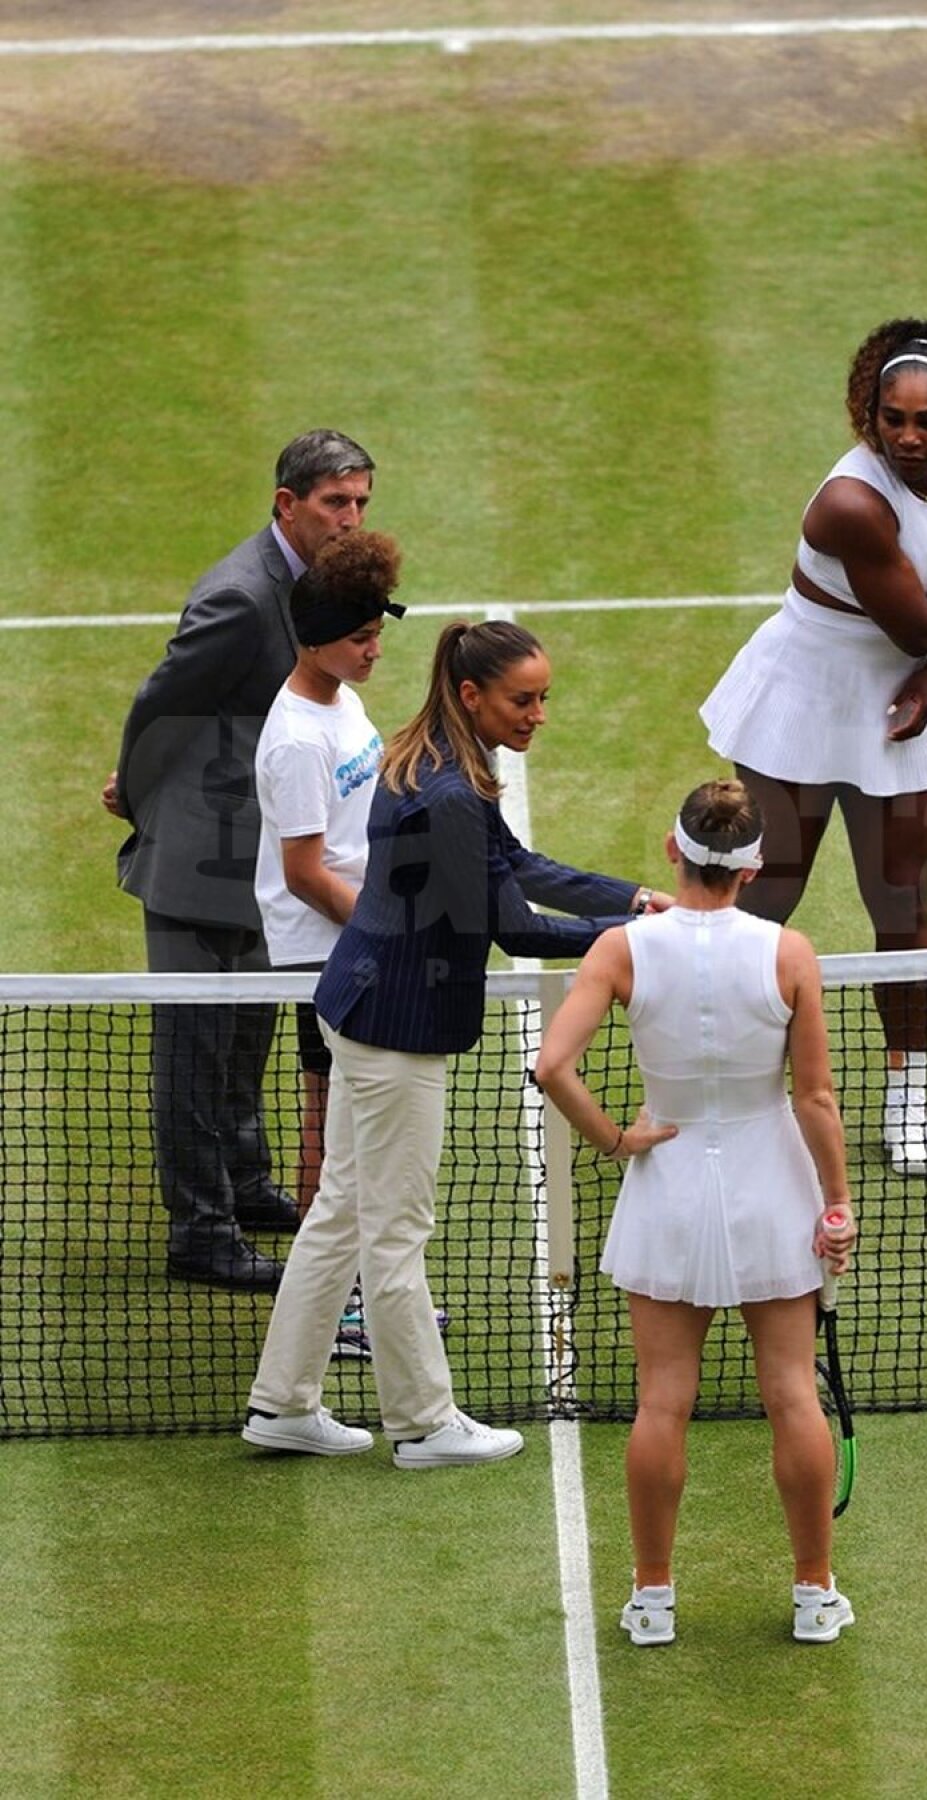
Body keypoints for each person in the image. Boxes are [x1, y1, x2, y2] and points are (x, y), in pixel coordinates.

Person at [242, 620, 673, 1468]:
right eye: (524, 698)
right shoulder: (446, 792)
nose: (539, 714)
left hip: (363, 1003)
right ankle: (424, 1424)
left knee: (340, 1214)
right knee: (395, 1230)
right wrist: (625, 941)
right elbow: (511, 922)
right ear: (473, 694)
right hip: (393, 1030)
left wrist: (633, 899)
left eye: (544, 696)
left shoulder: (439, 759)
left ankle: (283, 1404)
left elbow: (519, 862)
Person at [700, 319, 927, 1175]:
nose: (909, 437)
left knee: (902, 905)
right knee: (766, 899)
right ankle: (725, 1092)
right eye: (892, 419)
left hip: (899, 694)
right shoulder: (851, 502)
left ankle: (907, 1099)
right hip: (804, 699)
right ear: (871, 414)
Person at [535, 778, 857, 1645]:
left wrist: (615, 1140)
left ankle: (651, 1600)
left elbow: (552, 1067)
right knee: (793, 1395)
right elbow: (816, 1099)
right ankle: (815, 1594)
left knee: (661, 1402)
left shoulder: (621, 948)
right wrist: (838, 1205)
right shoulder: (790, 952)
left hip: (667, 1189)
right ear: (753, 868)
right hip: (771, 1187)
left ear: (676, 851)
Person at [102, 430, 376, 1289]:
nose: (352, 518)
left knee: (252, 1024)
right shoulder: (240, 598)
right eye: (336, 502)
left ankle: (248, 1182)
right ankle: (202, 1230)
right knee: (195, 1047)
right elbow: (161, 704)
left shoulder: (314, 587)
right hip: (195, 862)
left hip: (259, 855)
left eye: (362, 501)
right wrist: (142, 798)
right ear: (287, 504)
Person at [254, 529, 404, 1357]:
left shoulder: (338, 699)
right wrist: (390, 929)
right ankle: (338, 1303)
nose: (375, 650)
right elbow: (307, 872)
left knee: (350, 1119)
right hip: (327, 950)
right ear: (316, 642)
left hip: (356, 934)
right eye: (361, 639)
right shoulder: (296, 740)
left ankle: (350, 1291)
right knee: (332, 1121)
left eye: (378, 634)